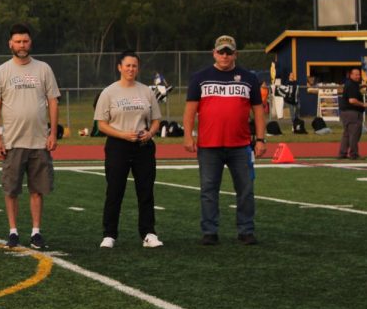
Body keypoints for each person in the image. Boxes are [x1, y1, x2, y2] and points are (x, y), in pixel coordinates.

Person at [182, 35, 267, 246]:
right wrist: (188, 135)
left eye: (229, 52)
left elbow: (258, 112)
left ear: (235, 54)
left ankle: (246, 230)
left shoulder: (248, 78)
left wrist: (261, 139)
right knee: (209, 190)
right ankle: (210, 231)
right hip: (209, 145)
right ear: (214, 53)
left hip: (240, 146)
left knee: (246, 190)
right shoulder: (200, 77)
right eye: (221, 51)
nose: (225, 55)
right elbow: (190, 111)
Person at [0, 24, 60, 250]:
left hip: (39, 141)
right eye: (18, 41)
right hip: (12, 141)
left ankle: (36, 232)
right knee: (11, 190)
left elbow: (52, 101)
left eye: (25, 41)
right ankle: (13, 231)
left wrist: (53, 132)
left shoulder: (44, 69)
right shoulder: (1, 72)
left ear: (31, 43)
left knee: (37, 189)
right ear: (10, 43)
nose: (22, 45)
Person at [94, 51, 163, 249]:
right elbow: (101, 124)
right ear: (119, 67)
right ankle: (109, 234)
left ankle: (148, 233)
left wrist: (150, 133)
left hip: (143, 146)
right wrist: (123, 134)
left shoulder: (146, 92)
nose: (131, 69)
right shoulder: (109, 92)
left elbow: (156, 119)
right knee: (115, 191)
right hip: (118, 146)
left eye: (134, 66)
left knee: (146, 191)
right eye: (127, 65)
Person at [337, 67, 367, 160]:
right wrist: (363, 104)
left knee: (347, 134)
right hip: (352, 113)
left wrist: (361, 87)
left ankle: (342, 153)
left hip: (346, 113)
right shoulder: (351, 85)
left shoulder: (351, 84)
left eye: (359, 74)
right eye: (356, 74)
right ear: (351, 75)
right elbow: (352, 100)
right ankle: (354, 154)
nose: (358, 76)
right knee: (354, 133)